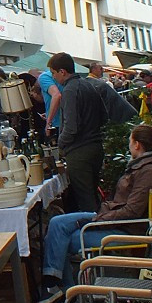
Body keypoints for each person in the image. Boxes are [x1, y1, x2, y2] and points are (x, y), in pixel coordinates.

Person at [36, 125, 152, 303]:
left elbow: (132, 211)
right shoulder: (146, 165)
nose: (129, 145)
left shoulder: (149, 170)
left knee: (62, 237)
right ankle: (56, 286)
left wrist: (97, 220)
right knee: (57, 223)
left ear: (137, 145)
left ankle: (62, 290)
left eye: (130, 141)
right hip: (114, 219)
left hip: (125, 229)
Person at [48, 52, 109, 213]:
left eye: (54, 73)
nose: (53, 77)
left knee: (86, 200)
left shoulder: (69, 90)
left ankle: (93, 233)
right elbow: (104, 116)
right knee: (92, 194)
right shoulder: (89, 84)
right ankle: (98, 228)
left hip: (79, 151)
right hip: (95, 146)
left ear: (62, 71)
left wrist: (60, 143)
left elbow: (71, 127)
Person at [37, 67, 62, 138]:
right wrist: (48, 113)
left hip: (56, 124)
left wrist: (49, 122)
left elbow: (56, 95)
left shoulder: (44, 77)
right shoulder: (62, 77)